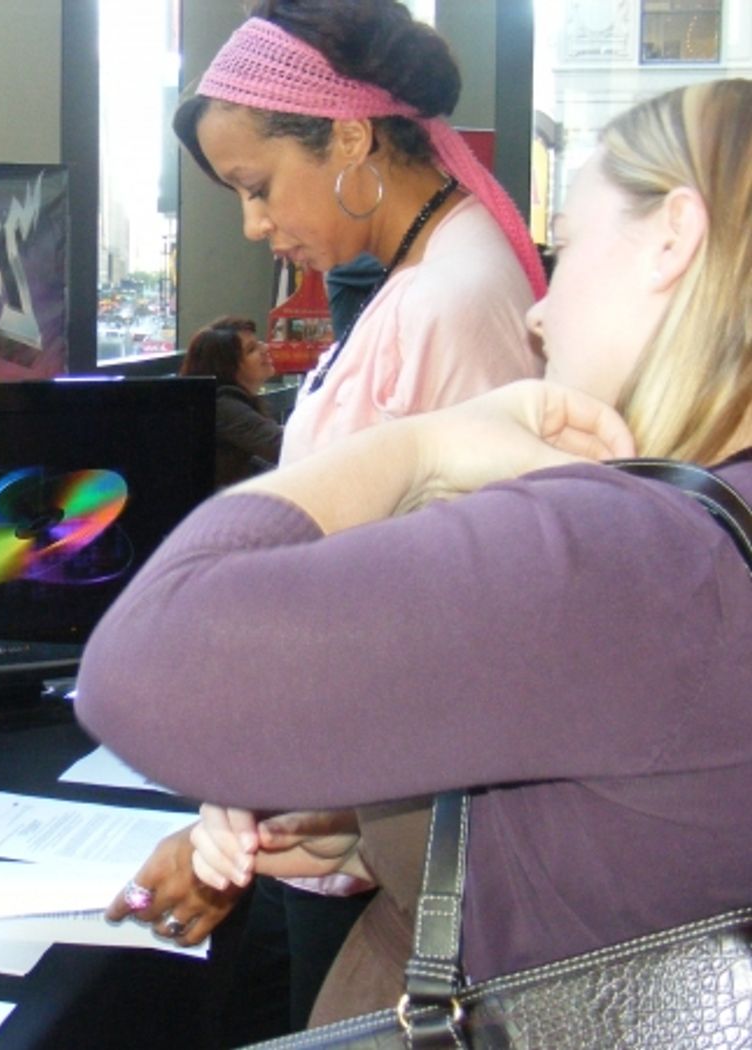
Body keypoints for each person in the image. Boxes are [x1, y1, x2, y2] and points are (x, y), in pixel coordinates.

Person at [79, 77, 752, 1025]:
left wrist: (427, 445)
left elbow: (139, 667)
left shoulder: (635, 550)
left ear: (672, 240)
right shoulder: (698, 537)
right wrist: (381, 837)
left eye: (571, 253)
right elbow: (632, 832)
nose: (538, 312)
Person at [109, 1, 546, 1034]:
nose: (255, 227)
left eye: (256, 189)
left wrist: (251, 807)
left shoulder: (445, 301)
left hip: (363, 818)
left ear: (347, 136)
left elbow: (449, 622)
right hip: (333, 807)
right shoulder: (421, 280)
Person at [179, 319, 282, 488]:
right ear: (228, 367)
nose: (265, 348)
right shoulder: (224, 407)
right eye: (251, 349)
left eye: (258, 343)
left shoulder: (224, 402)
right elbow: (283, 447)